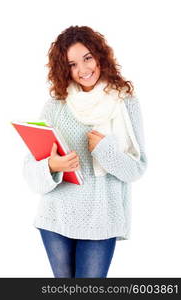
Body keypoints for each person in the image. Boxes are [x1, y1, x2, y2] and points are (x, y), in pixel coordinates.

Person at [23, 25, 148, 278]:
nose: (83, 70)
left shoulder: (125, 103)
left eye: (87, 58)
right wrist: (52, 166)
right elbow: (29, 170)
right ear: (64, 69)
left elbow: (137, 168)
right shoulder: (56, 105)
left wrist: (104, 150)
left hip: (101, 221)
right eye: (72, 64)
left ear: (100, 56)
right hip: (56, 218)